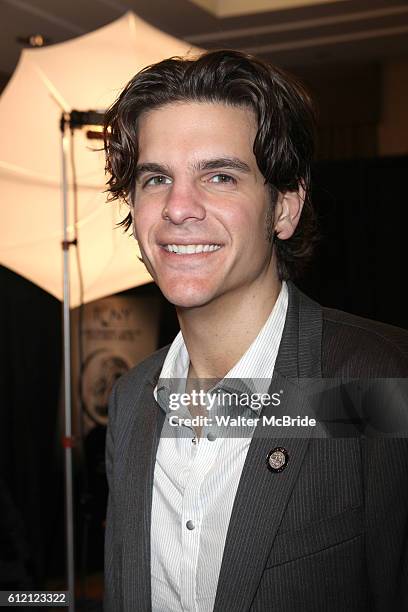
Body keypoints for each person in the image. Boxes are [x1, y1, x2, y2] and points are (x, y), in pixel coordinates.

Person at [102, 50, 408, 611]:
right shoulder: (130, 401)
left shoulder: (380, 381)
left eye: (219, 176)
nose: (178, 207)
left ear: (284, 208)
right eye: (156, 178)